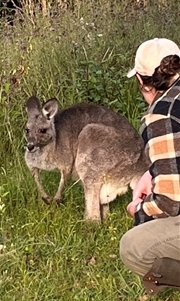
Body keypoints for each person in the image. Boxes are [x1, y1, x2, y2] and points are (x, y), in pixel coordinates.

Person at [119, 38, 180, 296]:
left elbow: (170, 202)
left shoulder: (160, 115)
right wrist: (151, 172)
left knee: (134, 246)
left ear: (142, 82)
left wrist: (140, 210)